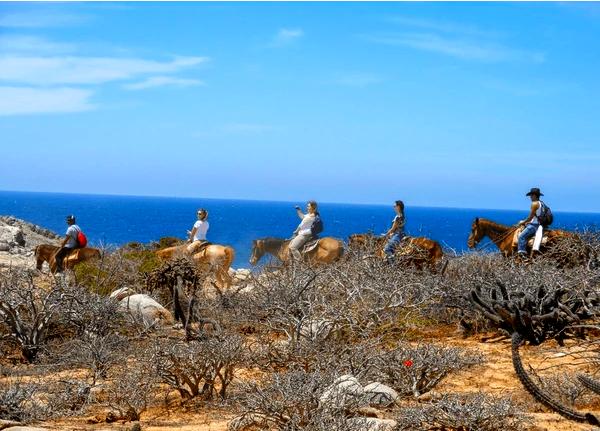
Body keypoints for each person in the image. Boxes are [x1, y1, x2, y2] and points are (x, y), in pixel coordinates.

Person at [517, 188, 544, 257]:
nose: (530, 197)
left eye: (531, 195)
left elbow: (530, 218)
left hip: (534, 226)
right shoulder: (541, 203)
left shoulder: (534, 204)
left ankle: (522, 256)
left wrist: (523, 222)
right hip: (539, 224)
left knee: (521, 237)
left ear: (535, 195)